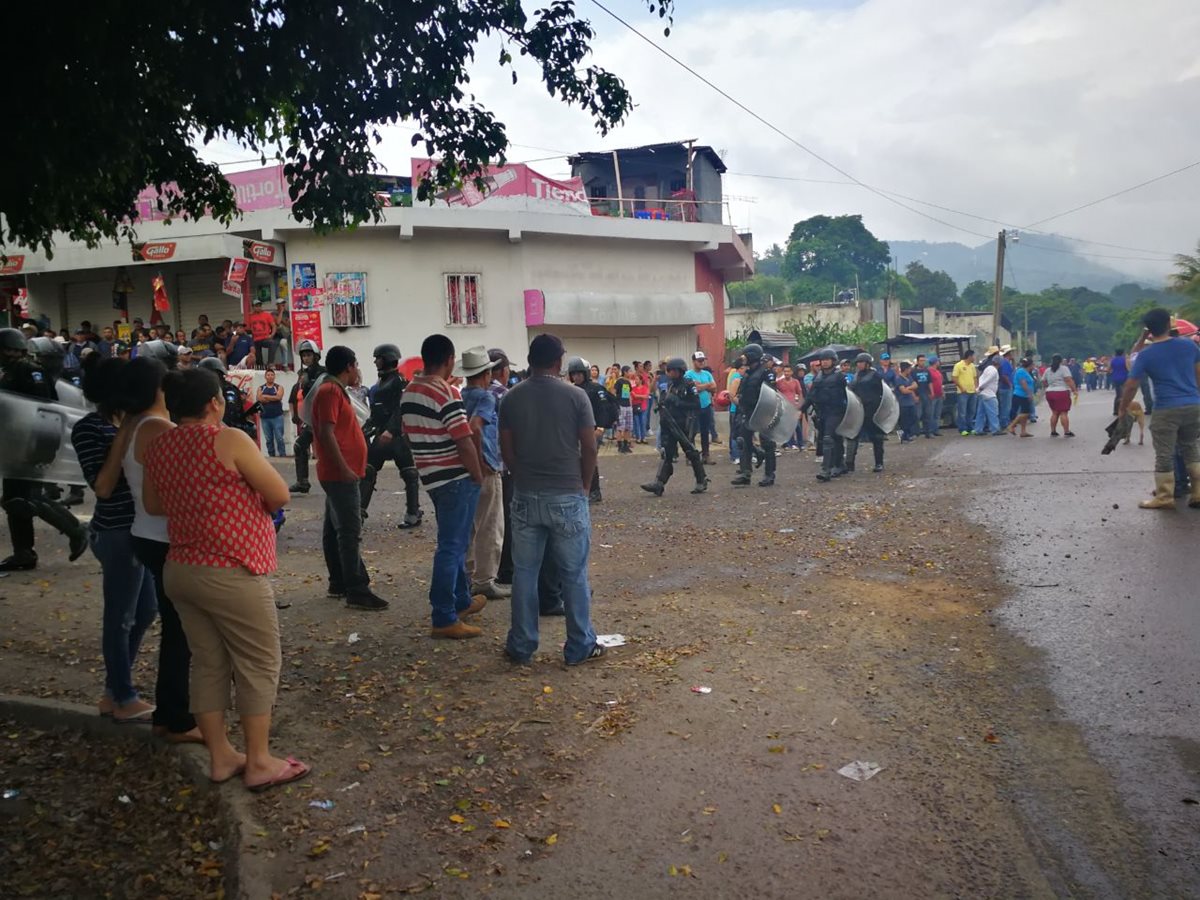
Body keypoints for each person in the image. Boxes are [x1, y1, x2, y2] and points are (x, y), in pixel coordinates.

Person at [144, 367, 307, 791]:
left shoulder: (159, 445)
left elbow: (154, 504)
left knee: (208, 662)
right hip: (231, 568)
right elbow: (279, 493)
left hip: (181, 568)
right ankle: (259, 761)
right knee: (258, 662)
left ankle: (221, 757)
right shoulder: (228, 439)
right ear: (214, 403)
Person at [500, 334, 603, 665]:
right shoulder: (576, 396)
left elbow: (506, 449)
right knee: (573, 574)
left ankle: (521, 645)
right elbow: (589, 446)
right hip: (567, 493)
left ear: (530, 361)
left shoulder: (511, 398)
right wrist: (584, 485)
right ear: (558, 362)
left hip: (526, 495)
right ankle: (579, 645)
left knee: (524, 573)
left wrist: (520, 476)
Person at [70, 357, 158, 723]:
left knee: (146, 610)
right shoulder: (89, 429)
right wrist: (124, 434)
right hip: (116, 532)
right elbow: (103, 487)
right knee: (120, 617)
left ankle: (113, 691)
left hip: (139, 530)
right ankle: (123, 696)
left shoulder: (136, 423)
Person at [401, 335, 486, 638]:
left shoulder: (409, 392)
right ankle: (443, 616)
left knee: (456, 542)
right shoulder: (446, 392)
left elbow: (407, 434)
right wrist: (477, 474)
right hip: (455, 478)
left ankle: (461, 600)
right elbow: (463, 439)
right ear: (449, 360)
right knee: (451, 547)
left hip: (432, 477)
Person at [0, 328, 88, 571]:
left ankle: (76, 530)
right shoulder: (11, 371)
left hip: (32, 444)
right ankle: (23, 553)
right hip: (17, 444)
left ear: (9, 349)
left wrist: (40, 448)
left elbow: (45, 409)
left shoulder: (30, 370)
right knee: (15, 499)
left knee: (26, 497)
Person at [310, 346, 388, 611]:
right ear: (348, 366)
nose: (358, 370)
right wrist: (343, 467)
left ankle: (338, 582)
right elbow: (326, 432)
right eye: (356, 365)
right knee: (349, 530)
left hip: (339, 472)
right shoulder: (330, 391)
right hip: (340, 474)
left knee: (334, 528)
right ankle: (357, 588)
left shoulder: (333, 390)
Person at [1119, 308, 1200, 509]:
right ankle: (1198, 492)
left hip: (1166, 407)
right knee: (1190, 447)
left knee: (1164, 453)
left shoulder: (1147, 355)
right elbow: (1198, 373)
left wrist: (1123, 407)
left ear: (1148, 329)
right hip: (1193, 404)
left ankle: (1165, 496)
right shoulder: (1189, 345)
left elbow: (1131, 383)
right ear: (1168, 324)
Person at [459, 346, 508, 601]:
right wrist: (480, 461)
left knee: (469, 525)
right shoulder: (486, 398)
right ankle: (485, 580)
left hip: (463, 467)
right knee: (490, 525)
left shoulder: (460, 395)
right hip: (485, 467)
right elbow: (475, 427)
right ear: (486, 374)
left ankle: (469, 574)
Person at [359, 343, 423, 529]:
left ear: (387, 358)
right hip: (380, 434)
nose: (375, 362)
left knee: (409, 473)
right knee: (368, 471)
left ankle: (413, 513)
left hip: (397, 436)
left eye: (378, 358)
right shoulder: (379, 384)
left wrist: (393, 430)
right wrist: (367, 428)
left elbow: (402, 407)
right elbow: (375, 413)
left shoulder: (399, 382)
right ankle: (358, 514)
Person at [641, 357, 708, 497]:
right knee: (667, 454)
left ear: (680, 371)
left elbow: (696, 405)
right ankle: (659, 483)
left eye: (672, 370)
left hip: (684, 424)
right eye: (669, 370)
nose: (670, 373)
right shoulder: (670, 385)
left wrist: (677, 401)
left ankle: (701, 480)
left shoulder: (689, 385)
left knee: (691, 452)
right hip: (669, 423)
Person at [566, 357, 617, 503]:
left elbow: (604, 408)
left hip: (593, 429)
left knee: (589, 459)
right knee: (578, 460)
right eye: (574, 374)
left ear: (585, 373)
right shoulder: (572, 390)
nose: (576, 377)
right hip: (576, 431)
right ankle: (583, 490)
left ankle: (595, 491)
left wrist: (601, 427)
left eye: (579, 374)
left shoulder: (595, 389)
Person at [730, 343, 777, 488]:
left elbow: (771, 393)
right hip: (748, 411)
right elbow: (742, 393)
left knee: (767, 443)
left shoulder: (765, 373)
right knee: (744, 441)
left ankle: (769, 474)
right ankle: (745, 473)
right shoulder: (748, 373)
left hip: (763, 411)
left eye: (745, 355)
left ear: (752, 356)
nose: (743, 358)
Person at [805, 348, 848, 482]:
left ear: (833, 361)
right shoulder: (818, 377)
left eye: (827, 360)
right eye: (822, 360)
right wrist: (801, 409)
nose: (824, 362)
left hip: (836, 412)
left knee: (828, 439)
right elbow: (811, 395)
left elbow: (849, 393)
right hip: (822, 412)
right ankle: (840, 464)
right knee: (835, 439)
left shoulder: (840, 376)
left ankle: (825, 470)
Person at [289, 340, 325, 493]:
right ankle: (302, 482)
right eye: (303, 356)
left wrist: (308, 383)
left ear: (316, 356)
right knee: (299, 446)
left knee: (332, 450)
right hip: (312, 418)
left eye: (309, 355)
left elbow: (322, 391)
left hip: (325, 417)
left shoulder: (323, 372)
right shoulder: (303, 375)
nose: (306, 358)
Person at [847, 352, 886, 473]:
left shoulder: (875, 376)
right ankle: (849, 464)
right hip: (858, 410)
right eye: (858, 362)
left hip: (872, 411)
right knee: (852, 436)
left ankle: (879, 463)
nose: (859, 364)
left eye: (861, 362)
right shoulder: (855, 376)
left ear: (868, 363)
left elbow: (883, 392)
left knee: (876, 437)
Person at [685, 351, 716, 463]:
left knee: (705, 432)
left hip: (706, 406)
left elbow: (714, 387)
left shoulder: (707, 374)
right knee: (691, 432)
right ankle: (691, 456)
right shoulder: (688, 374)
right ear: (694, 361)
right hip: (693, 407)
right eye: (699, 361)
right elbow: (694, 389)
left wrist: (701, 386)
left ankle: (706, 455)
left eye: (703, 360)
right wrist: (707, 385)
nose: (702, 362)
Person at [1042, 354, 1078, 437]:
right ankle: (1066, 431)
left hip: (1050, 392)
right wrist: (1074, 390)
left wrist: (1049, 386)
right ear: (1061, 361)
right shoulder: (1064, 369)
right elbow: (1068, 380)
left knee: (1054, 412)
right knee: (1063, 412)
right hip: (1061, 392)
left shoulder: (1048, 370)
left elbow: (1043, 381)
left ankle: (1053, 431)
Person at [257, 367, 286, 457]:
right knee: (269, 439)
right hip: (265, 417)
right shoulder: (261, 388)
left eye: (272, 375)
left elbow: (279, 397)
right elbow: (260, 398)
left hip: (277, 416)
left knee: (279, 438)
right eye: (268, 375)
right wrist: (272, 398)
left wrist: (266, 396)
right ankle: (272, 456)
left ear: (274, 376)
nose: (270, 376)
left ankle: (282, 455)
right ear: (265, 376)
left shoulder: (278, 387)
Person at [1007, 358, 1037, 437]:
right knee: (1025, 413)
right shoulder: (1021, 371)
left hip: (1024, 395)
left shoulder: (1026, 372)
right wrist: (1029, 394)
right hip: (1021, 395)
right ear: (1030, 365)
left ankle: (1023, 431)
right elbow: (1023, 383)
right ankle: (1011, 426)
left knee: (1025, 414)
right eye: (1033, 365)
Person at [952, 350, 978, 435]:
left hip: (972, 391)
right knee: (962, 412)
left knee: (972, 411)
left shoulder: (972, 366)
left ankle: (970, 427)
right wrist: (961, 387)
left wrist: (976, 387)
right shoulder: (958, 365)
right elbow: (954, 378)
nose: (974, 358)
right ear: (969, 356)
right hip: (963, 392)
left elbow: (975, 377)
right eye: (973, 356)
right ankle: (962, 429)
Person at [974, 358, 1001, 435]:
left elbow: (981, 378)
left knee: (981, 413)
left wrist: (979, 388)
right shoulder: (994, 371)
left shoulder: (988, 368)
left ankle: (978, 429)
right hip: (989, 394)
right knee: (993, 412)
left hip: (983, 394)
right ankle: (995, 429)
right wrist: (980, 388)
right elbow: (987, 380)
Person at [894, 361, 919, 441]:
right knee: (904, 421)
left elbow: (915, 385)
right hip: (903, 403)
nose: (910, 370)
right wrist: (910, 389)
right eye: (909, 368)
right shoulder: (899, 379)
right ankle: (904, 437)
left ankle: (909, 434)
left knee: (914, 418)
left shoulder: (909, 377)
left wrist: (908, 388)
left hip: (910, 402)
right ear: (905, 369)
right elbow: (903, 391)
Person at [612, 366, 634, 453]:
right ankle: (620, 445)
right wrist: (615, 405)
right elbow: (613, 392)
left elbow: (628, 394)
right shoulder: (619, 381)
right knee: (620, 427)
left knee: (628, 427)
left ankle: (626, 445)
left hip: (628, 406)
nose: (631, 373)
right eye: (630, 371)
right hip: (620, 406)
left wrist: (631, 405)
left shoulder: (628, 382)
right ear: (625, 372)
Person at [248, 302, 277, 366]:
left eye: (259, 306)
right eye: (256, 306)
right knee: (259, 361)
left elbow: (274, 326)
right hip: (255, 340)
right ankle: (260, 366)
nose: (258, 307)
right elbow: (247, 328)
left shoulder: (267, 315)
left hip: (265, 338)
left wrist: (272, 335)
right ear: (253, 307)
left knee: (273, 343)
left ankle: (270, 363)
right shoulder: (250, 316)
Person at [912, 354, 934, 438]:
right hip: (918, 394)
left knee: (928, 414)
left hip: (926, 394)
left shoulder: (927, 370)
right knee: (917, 415)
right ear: (917, 361)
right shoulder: (913, 371)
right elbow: (911, 384)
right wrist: (914, 396)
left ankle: (928, 432)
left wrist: (932, 392)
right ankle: (916, 432)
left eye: (924, 360)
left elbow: (930, 382)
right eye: (921, 361)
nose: (923, 362)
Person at [997, 346, 1015, 430]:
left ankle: (1006, 421)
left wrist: (1013, 361)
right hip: (1005, 388)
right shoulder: (1005, 363)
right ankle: (1004, 423)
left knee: (1007, 406)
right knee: (1006, 406)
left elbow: (1012, 371)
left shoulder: (1007, 362)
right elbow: (1004, 375)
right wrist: (1009, 384)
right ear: (1008, 353)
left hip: (1006, 387)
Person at [1110, 348, 1129, 415]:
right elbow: (1128, 368)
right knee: (1125, 394)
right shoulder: (1125, 359)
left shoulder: (1112, 360)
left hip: (1115, 378)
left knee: (1118, 394)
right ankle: (1124, 409)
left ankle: (1116, 410)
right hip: (1124, 378)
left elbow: (1109, 369)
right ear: (1123, 353)